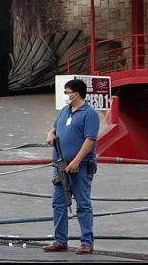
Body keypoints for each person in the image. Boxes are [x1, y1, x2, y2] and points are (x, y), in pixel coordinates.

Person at [43, 79, 99, 255]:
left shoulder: (90, 114)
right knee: (58, 203)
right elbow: (54, 128)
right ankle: (60, 240)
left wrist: (76, 161)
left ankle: (86, 242)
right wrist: (50, 134)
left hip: (80, 167)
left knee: (83, 203)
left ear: (77, 93)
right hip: (60, 166)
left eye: (67, 92)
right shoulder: (65, 111)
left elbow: (90, 139)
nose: (66, 95)